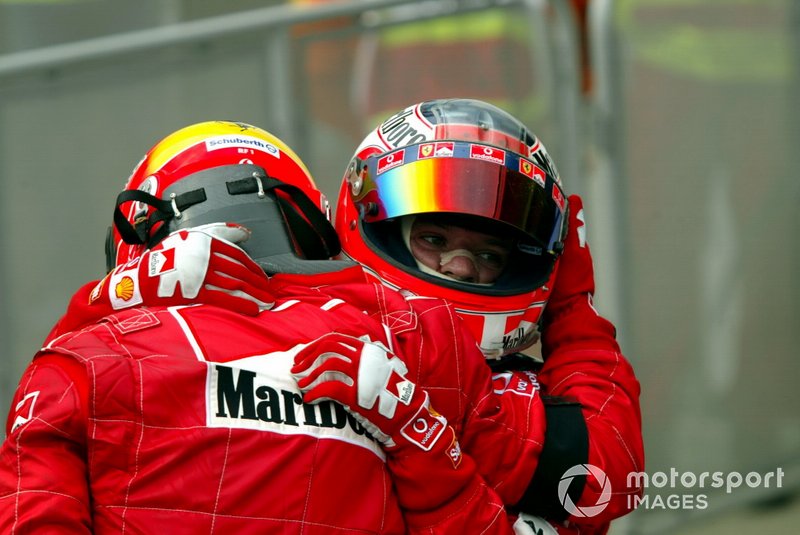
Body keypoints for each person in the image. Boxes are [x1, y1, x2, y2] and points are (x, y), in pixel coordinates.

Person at [0, 121, 522, 534]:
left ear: (136, 244)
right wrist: (419, 433)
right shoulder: (414, 335)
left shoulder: (77, 361)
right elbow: (591, 483)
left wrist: (99, 302)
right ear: (309, 224)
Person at [332, 98, 643, 533]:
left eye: (487, 254)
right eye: (434, 238)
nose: (459, 266)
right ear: (376, 226)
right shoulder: (324, 356)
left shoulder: (319, 352)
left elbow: (610, 475)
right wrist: (573, 308)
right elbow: (605, 472)